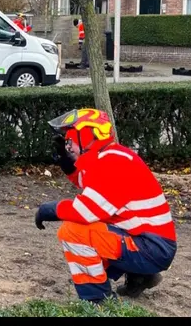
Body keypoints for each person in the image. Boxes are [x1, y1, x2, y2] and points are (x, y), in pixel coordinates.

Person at [34, 108, 177, 304]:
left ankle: (99, 301)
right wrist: (68, 165)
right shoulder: (111, 156)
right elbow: (92, 187)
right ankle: (140, 275)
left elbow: (86, 211)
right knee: (94, 230)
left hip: (151, 247)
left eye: (70, 140)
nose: (68, 146)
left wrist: (49, 210)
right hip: (150, 242)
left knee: (73, 232)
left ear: (87, 136)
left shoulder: (112, 162)